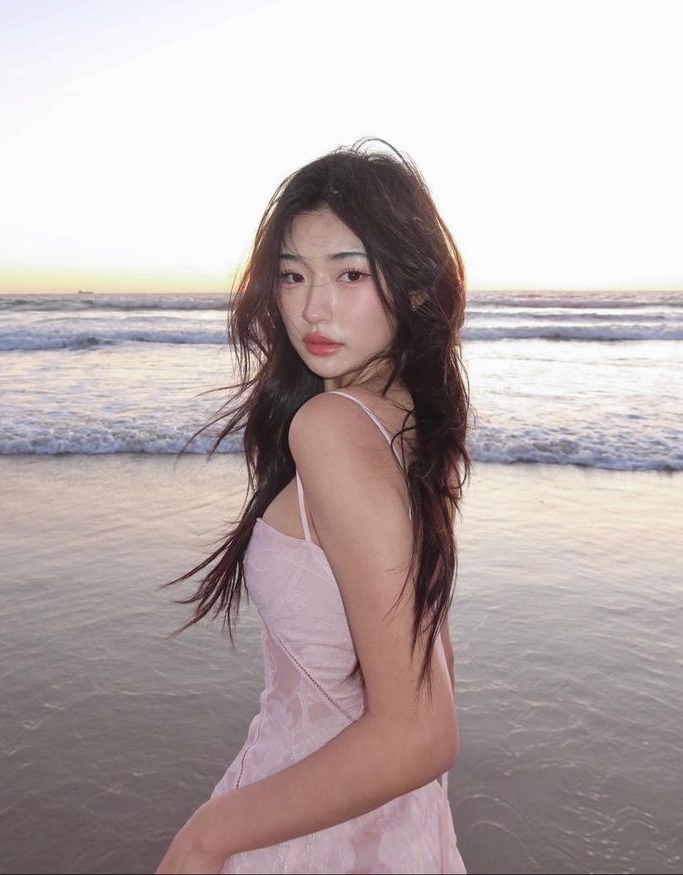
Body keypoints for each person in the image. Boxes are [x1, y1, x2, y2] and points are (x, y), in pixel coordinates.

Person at [156, 137, 472, 874]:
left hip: (304, 824)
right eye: (292, 275)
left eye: (350, 273)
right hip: (375, 812)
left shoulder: (331, 428)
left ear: (418, 285)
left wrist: (207, 834)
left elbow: (421, 730)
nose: (312, 307)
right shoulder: (415, 427)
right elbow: (435, 664)